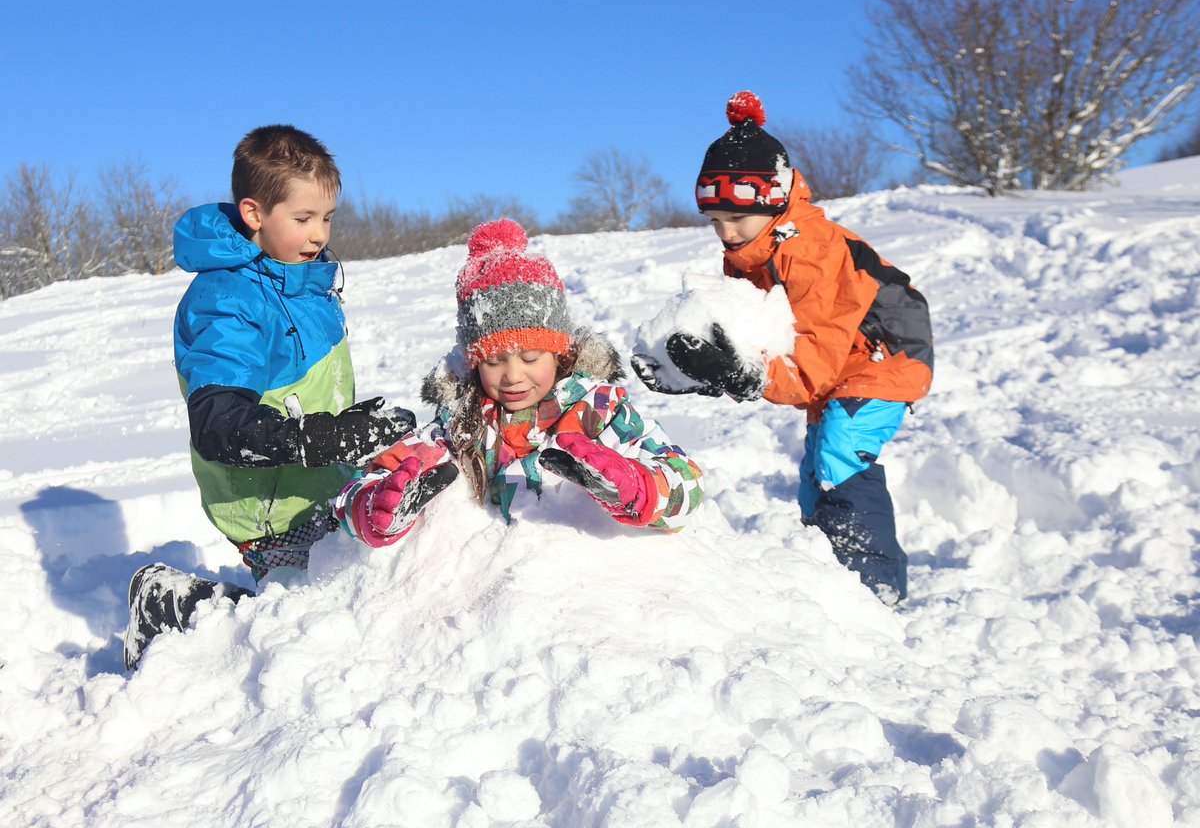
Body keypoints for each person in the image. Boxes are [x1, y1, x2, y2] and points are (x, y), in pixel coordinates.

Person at [123, 125, 414, 670]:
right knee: (303, 620)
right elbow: (218, 422)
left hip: (316, 483)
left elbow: (301, 390)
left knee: (364, 587)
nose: (318, 234)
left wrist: (354, 431)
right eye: (302, 219)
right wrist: (316, 438)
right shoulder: (227, 301)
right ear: (255, 214)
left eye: (326, 217)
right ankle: (177, 609)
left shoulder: (303, 283)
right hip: (268, 503)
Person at [631, 92, 933, 604]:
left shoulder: (811, 253)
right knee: (817, 467)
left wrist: (742, 375)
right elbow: (751, 342)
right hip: (834, 365)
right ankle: (825, 577)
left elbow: (805, 371)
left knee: (841, 455)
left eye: (736, 220)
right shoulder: (748, 251)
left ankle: (872, 585)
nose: (725, 234)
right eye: (714, 221)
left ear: (770, 201)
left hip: (882, 357)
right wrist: (697, 372)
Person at [333, 219, 705, 547]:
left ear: (559, 354)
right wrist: (373, 509)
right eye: (493, 360)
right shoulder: (459, 423)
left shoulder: (601, 413)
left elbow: (686, 483)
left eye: (530, 358)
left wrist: (639, 490)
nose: (512, 375)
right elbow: (371, 479)